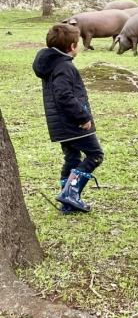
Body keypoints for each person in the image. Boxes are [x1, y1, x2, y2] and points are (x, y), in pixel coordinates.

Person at [32, 23, 104, 214]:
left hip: (61, 126)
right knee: (95, 155)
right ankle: (70, 194)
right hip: (73, 124)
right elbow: (63, 95)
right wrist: (83, 116)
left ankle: (68, 203)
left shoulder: (52, 64)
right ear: (73, 46)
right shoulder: (64, 66)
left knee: (72, 157)